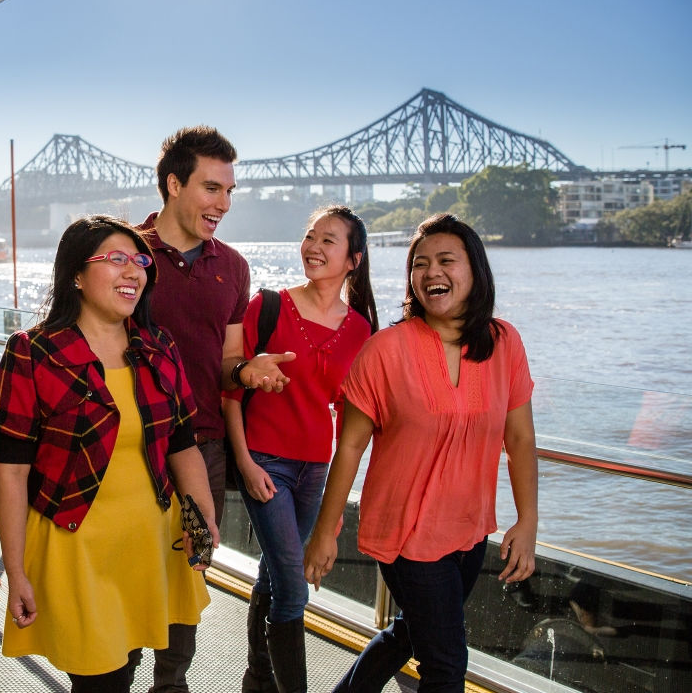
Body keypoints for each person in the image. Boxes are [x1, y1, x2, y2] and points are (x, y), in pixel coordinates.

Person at [304, 213, 539, 693]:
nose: (431, 272)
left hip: (470, 532)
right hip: (407, 534)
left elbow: (518, 440)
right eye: (420, 263)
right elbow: (349, 445)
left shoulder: (504, 342)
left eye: (446, 260)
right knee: (447, 665)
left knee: (409, 632)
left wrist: (528, 520)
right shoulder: (386, 349)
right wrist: (326, 531)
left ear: (475, 270)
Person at [0, 215, 218, 693]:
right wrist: (16, 569)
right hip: (76, 549)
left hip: (151, 543)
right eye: (115, 259)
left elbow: (184, 447)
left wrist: (203, 520)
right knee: (100, 682)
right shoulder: (32, 353)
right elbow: (10, 476)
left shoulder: (159, 346)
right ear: (75, 273)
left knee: (129, 663)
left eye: (139, 261)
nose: (132, 271)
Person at [136, 126, 290, 693]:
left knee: (189, 575)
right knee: (130, 575)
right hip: (130, 445)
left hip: (204, 445)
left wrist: (247, 371)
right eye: (211, 188)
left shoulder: (234, 267)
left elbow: (227, 359)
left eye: (229, 191)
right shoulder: (124, 250)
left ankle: (170, 685)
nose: (223, 204)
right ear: (173, 184)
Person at [224, 206, 379, 693]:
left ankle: (257, 681)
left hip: (316, 469)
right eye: (310, 235)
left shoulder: (360, 330)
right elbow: (230, 390)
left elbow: (349, 415)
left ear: (353, 260)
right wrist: (245, 463)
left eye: (328, 240)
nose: (313, 245)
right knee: (293, 590)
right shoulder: (266, 306)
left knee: (273, 578)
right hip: (265, 462)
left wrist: (333, 522)